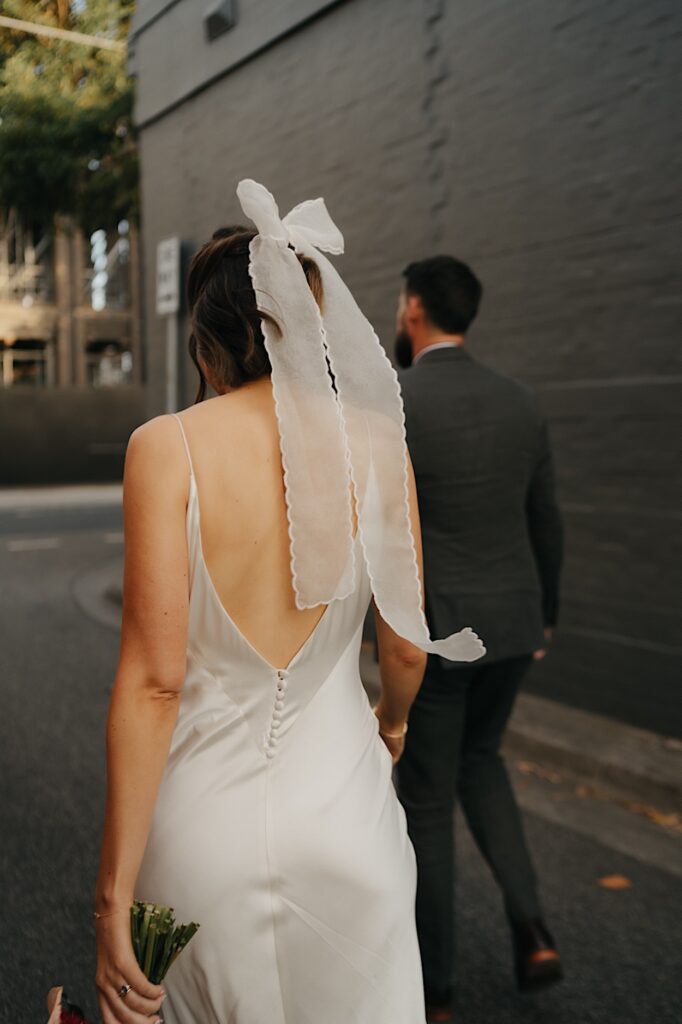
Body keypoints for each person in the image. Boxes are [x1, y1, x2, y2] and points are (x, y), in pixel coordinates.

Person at [92, 182, 485, 1024]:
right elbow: (407, 646)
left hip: (202, 836)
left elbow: (154, 684)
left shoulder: (165, 449)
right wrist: (391, 725)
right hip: (349, 823)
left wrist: (110, 901)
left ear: (207, 339)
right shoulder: (379, 444)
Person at [394, 256, 565, 1022]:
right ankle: (532, 929)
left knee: (427, 804)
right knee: (484, 762)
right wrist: (546, 615)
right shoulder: (521, 403)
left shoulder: (395, 402)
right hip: (514, 621)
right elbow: (545, 522)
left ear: (415, 308)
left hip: (439, 634)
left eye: (403, 301)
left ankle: (437, 993)